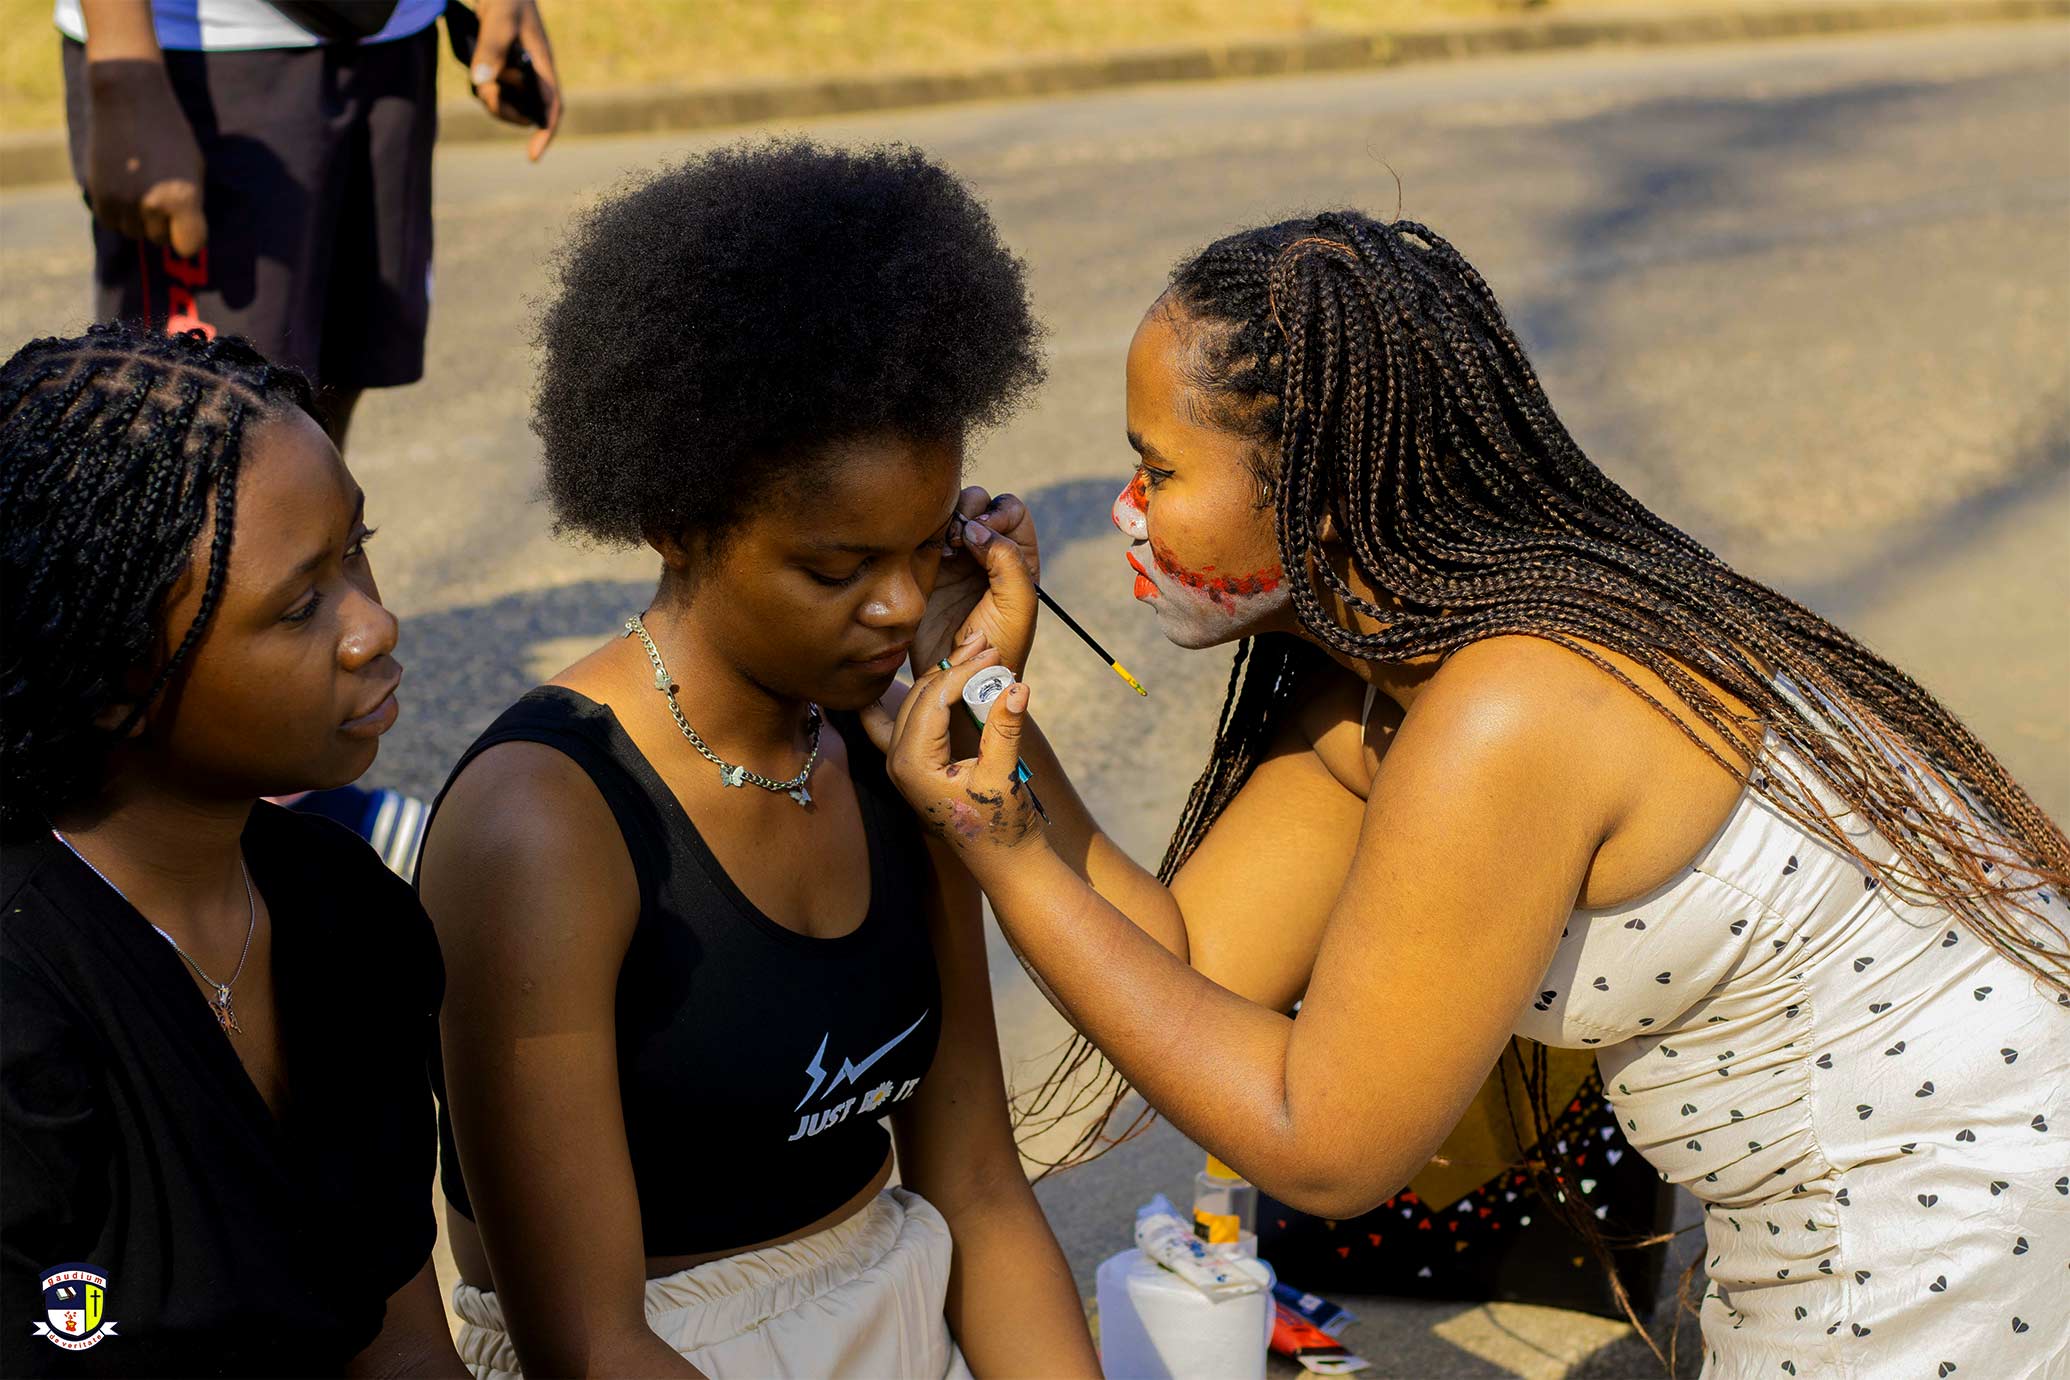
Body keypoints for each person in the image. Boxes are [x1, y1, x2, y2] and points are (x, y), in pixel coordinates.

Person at [869, 212, 2070, 1378]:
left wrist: (1003, 851)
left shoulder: (1512, 708)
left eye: (1159, 470)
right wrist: (985, 693)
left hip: (1955, 1205)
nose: (1126, 516)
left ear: (1316, 494)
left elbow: (1326, 1150)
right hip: (1864, 1186)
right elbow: (1191, 969)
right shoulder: (1388, 683)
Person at [415, 140, 1099, 1378]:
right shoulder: (547, 824)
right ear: (675, 520)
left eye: (926, 547)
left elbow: (985, 1198)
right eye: (837, 569)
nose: (900, 610)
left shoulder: (895, 750)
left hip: (904, 1306)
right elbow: (591, 1346)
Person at [0, 324, 461, 1376]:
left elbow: (401, 1343)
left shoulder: (350, 913)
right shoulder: (22, 1014)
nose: (374, 624)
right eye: (301, 605)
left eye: (357, 545)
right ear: (117, 679)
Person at [54, 0, 562, 450]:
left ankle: (309, 561)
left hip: (391, 38)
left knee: (323, 403)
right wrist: (125, 68)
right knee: (209, 426)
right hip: (204, 49)